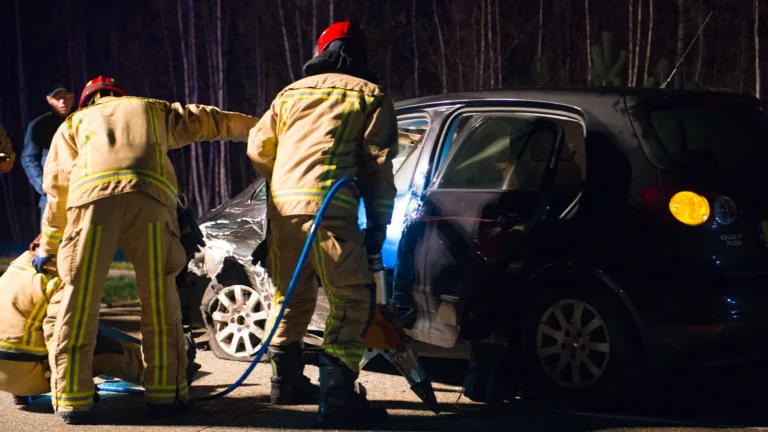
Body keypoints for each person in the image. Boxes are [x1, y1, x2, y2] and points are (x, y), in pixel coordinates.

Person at [32, 75, 258, 424]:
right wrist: (260, 128)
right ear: (120, 95)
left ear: (88, 101)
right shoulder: (151, 109)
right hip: (150, 201)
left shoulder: (73, 124)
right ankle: (164, 395)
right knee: (159, 297)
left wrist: (48, 244)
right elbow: (210, 120)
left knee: (78, 300)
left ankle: (73, 400)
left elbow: (57, 190)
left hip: (91, 204)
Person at [247, 21, 398, 428]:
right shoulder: (371, 96)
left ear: (322, 51)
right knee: (351, 300)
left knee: (289, 297)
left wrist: (285, 183)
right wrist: (379, 222)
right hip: (331, 210)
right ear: (360, 54)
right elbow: (378, 165)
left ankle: (286, 382)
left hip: (283, 210)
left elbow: (258, 147)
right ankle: (337, 396)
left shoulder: (289, 94)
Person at [0, 235, 148, 409]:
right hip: (28, 373)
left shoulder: (16, 269)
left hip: (7, 373)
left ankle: (21, 394)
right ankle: (152, 368)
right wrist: (75, 387)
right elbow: (63, 336)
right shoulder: (62, 279)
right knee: (96, 343)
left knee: (28, 325)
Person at [22, 84, 75, 223]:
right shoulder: (39, 125)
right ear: (49, 100)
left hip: (82, 195)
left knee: (82, 243)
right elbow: (28, 158)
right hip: (51, 200)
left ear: (73, 97)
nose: (63, 102)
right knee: (49, 243)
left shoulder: (84, 121)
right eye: (57, 98)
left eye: (66, 97)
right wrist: (44, 187)